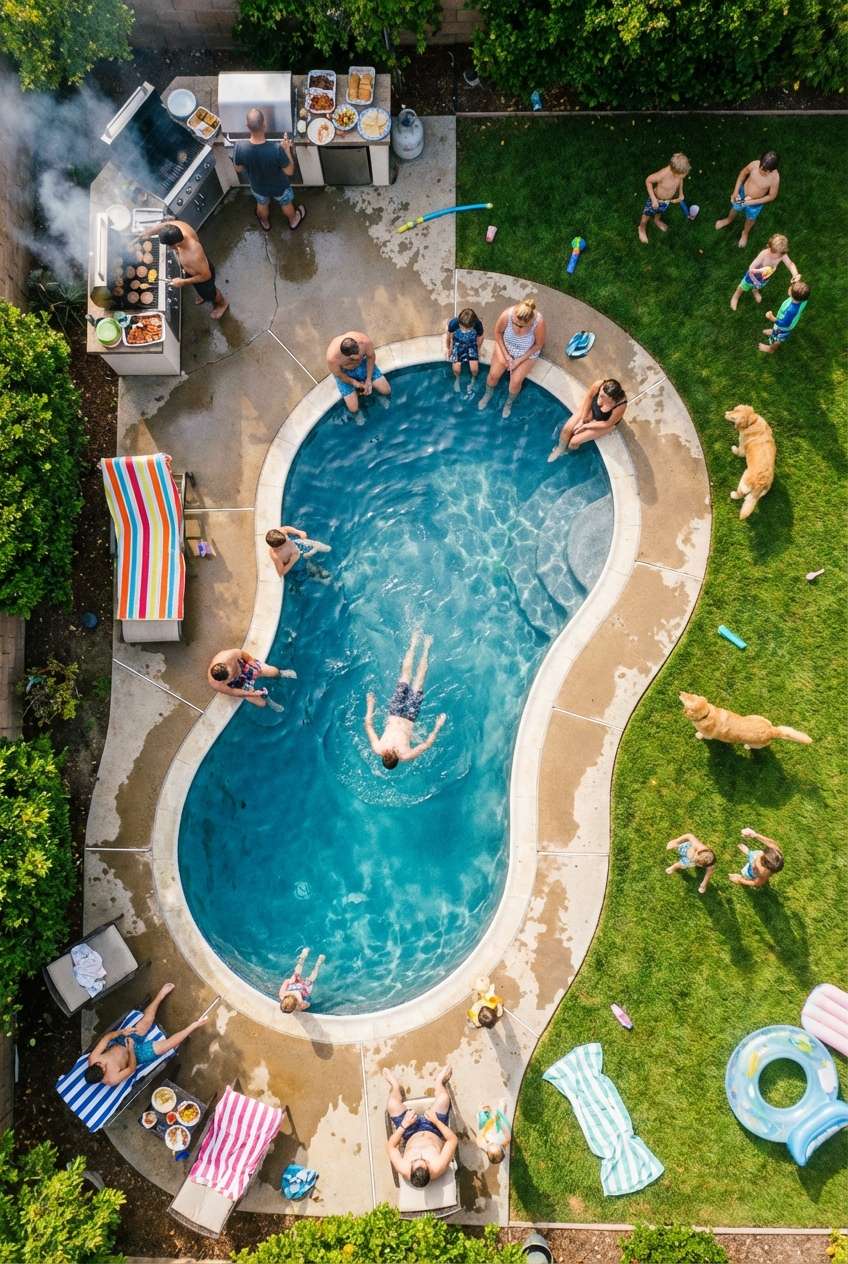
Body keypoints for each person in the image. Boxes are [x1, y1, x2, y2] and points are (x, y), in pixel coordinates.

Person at [84, 983, 206, 1086]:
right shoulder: (112, 1079)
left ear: (93, 1064)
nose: (103, 1064)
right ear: (102, 1077)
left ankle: (160, 996)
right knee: (166, 1046)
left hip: (122, 1041)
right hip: (136, 1055)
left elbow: (107, 1037)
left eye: (100, 1063)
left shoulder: (93, 1058)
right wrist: (131, 1050)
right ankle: (194, 1025)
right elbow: (131, 1069)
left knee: (146, 1021)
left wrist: (122, 1032)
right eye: (104, 1068)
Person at [364, 631, 446, 770]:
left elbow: (368, 725)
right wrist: (438, 725)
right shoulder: (406, 755)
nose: (392, 748)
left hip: (395, 711)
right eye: (394, 751)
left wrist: (370, 705)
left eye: (388, 751)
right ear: (397, 757)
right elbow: (426, 745)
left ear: (384, 754)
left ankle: (413, 643)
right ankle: (426, 648)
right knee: (418, 682)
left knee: (404, 677)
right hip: (410, 716)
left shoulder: (379, 748)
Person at [233, 109, 306, 232]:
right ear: (264, 125)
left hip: (258, 187)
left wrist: (252, 164)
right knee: (286, 203)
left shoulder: (239, 147)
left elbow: (238, 168)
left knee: (262, 204)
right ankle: (293, 221)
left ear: (247, 126)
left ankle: (265, 222)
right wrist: (287, 150)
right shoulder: (276, 149)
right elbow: (289, 171)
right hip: (280, 187)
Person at [384, 1066, 458, 1189]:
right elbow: (453, 1140)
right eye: (424, 1160)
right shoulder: (439, 1165)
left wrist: (404, 1125)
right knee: (444, 1099)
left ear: (410, 1169)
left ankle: (395, 1086)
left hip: (409, 1131)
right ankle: (439, 1082)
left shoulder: (403, 1167)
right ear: (429, 1169)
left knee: (392, 1104)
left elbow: (390, 1146)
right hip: (434, 1128)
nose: (420, 1156)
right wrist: (436, 1121)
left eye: (416, 1160)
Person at [478, 298, 545, 418]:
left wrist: (518, 361)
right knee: (493, 375)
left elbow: (538, 345)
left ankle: (508, 403)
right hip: (506, 347)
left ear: (530, 321)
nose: (518, 326)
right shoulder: (507, 315)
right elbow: (497, 333)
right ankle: (488, 394)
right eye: (516, 323)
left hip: (526, 354)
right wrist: (506, 355)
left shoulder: (538, 322)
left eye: (522, 325)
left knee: (515, 382)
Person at [158, 220, 228, 319]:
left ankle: (222, 304)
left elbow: (206, 276)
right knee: (201, 291)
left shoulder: (194, 255)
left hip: (204, 277)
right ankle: (203, 295)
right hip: (195, 269)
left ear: (176, 243)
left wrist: (183, 282)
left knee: (211, 293)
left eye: (169, 246)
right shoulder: (180, 229)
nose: (168, 248)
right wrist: (148, 232)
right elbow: (169, 223)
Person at [548, 378, 628, 460]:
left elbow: (608, 423)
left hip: (604, 421)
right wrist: (583, 420)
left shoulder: (620, 405)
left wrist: (586, 426)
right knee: (566, 430)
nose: (600, 395)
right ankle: (560, 449)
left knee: (574, 442)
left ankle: (568, 452)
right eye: (600, 392)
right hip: (592, 411)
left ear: (611, 398)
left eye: (603, 396)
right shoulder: (598, 385)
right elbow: (589, 398)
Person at [715, 151, 780, 248]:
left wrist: (751, 202)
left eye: (765, 171)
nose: (761, 171)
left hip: (755, 204)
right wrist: (736, 191)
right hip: (742, 195)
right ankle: (728, 220)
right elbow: (742, 174)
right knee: (735, 208)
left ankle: (745, 233)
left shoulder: (774, 178)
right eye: (761, 167)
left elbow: (772, 196)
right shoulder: (754, 165)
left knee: (750, 219)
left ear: (772, 170)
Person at [326, 331, 392, 416]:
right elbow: (339, 375)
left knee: (386, 390)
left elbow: (371, 357)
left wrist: (368, 379)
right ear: (345, 355)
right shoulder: (332, 357)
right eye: (353, 359)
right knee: (353, 409)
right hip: (345, 373)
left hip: (363, 366)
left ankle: (376, 396)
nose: (357, 359)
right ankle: (360, 410)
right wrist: (356, 383)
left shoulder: (364, 341)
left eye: (359, 355)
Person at [730, 234, 800, 310]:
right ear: (770, 248)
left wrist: (795, 274)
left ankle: (755, 291)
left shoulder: (782, 255)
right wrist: (761, 270)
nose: (778, 257)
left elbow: (790, 264)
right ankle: (736, 296)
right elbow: (751, 268)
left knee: (758, 286)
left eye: (780, 254)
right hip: (752, 276)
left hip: (764, 278)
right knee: (743, 286)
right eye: (776, 254)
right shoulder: (764, 254)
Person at [207, 648, 295, 707]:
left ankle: (281, 674)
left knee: (273, 672)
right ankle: (268, 700)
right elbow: (235, 692)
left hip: (244, 667)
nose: (232, 676)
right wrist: (254, 694)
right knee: (261, 704)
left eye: (231, 674)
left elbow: (244, 655)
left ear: (226, 665)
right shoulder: (216, 684)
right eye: (229, 679)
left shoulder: (228, 656)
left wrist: (252, 663)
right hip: (238, 684)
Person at [637, 152, 691, 244]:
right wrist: (653, 199)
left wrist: (681, 193)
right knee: (647, 214)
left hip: (666, 201)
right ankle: (641, 227)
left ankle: (657, 220)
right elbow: (648, 181)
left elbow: (680, 180)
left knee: (660, 211)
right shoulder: (663, 175)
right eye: (683, 174)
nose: (684, 176)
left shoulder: (679, 175)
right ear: (675, 171)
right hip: (656, 199)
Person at [759, 279, 810, 353]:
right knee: (776, 331)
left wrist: (772, 318)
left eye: (791, 288)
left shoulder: (791, 310)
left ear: (792, 295)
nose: (789, 287)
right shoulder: (803, 299)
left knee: (776, 339)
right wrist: (796, 282)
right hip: (788, 322)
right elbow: (800, 291)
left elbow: (784, 323)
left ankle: (771, 349)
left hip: (783, 327)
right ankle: (774, 331)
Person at [266, 525, 331, 578]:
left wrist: (298, 532)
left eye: (286, 540)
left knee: (326, 548)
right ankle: (321, 574)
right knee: (312, 568)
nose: (287, 543)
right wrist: (293, 560)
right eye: (283, 545)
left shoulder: (281, 533)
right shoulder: (276, 555)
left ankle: (330, 550)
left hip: (298, 544)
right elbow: (281, 573)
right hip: (298, 561)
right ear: (276, 548)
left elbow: (285, 528)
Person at [445, 307, 484, 393]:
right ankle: (457, 379)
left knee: (474, 369)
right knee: (456, 369)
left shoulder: (477, 324)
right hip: (458, 343)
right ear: (459, 321)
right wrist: (449, 348)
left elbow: (480, 337)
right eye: (462, 328)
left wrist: (478, 349)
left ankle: (473, 379)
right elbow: (448, 337)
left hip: (471, 343)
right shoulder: (453, 323)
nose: (464, 330)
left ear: (473, 325)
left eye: (468, 329)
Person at [278, 948, 325, 1013]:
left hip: (304, 989)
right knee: (296, 974)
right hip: (295, 985)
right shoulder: (282, 995)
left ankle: (319, 962)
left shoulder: (301, 1005)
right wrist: (292, 981)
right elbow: (286, 981)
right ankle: (303, 956)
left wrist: (302, 1005)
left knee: (311, 979)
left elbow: (308, 1002)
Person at [473, 1099, 512, 1165]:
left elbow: (478, 1141)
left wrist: (482, 1140)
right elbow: (508, 1137)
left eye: (490, 1144)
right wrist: (500, 1123)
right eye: (494, 1144)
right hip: (500, 1128)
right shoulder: (505, 1140)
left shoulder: (486, 1146)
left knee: (482, 1119)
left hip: (490, 1129)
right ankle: (502, 1105)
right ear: (502, 1147)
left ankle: (482, 1108)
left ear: (487, 1151)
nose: (491, 1143)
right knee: (501, 1113)